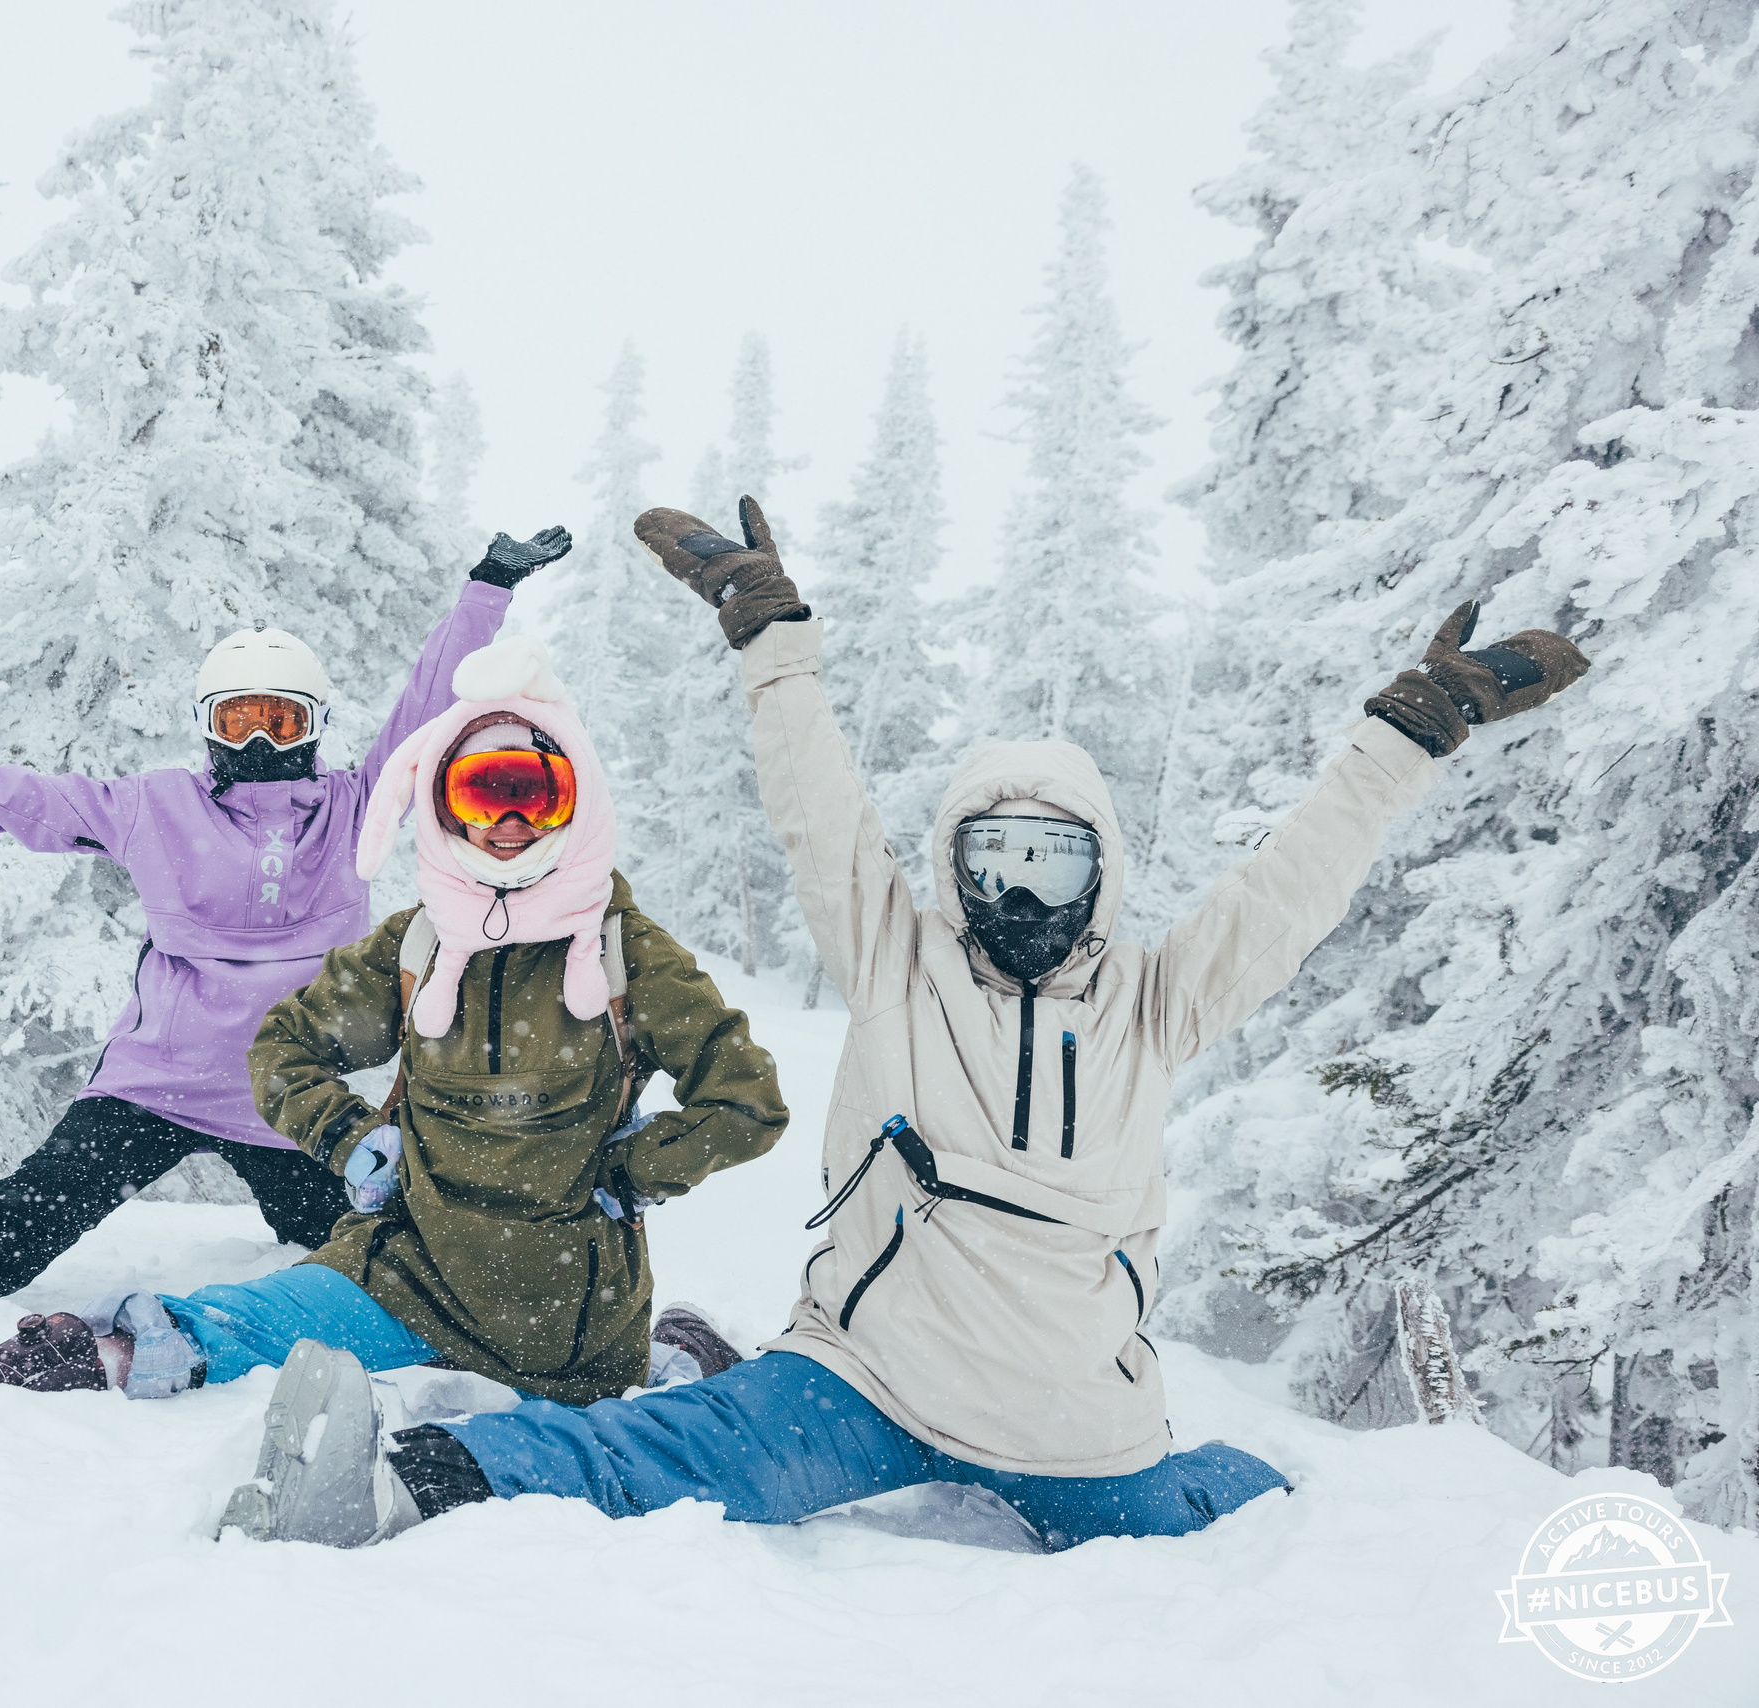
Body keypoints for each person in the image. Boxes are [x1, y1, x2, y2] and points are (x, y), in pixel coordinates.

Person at [209, 495, 1592, 1551]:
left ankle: (1328, 1496)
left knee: (1230, 1509)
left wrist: (1407, 733)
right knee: (665, 1453)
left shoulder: (1156, 1002)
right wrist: (771, 640)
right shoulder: (899, 960)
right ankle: (404, 1485)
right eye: (993, 863)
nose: (1019, 896)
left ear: (1101, 874)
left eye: (1051, 866)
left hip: (1081, 1432)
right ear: (954, 869)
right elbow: (818, 806)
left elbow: (1293, 885)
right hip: (863, 1383)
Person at [0, 637, 785, 1501]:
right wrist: (354, 1135)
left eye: (531, 797)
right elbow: (26, 803)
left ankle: (674, 1357)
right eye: (240, 719)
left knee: (591, 1397)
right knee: (173, 1292)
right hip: (312, 1193)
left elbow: (746, 1100)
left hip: (560, 1299)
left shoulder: (619, 950)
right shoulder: (410, 941)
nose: (502, 824)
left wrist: (624, 1170)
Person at [0, 529, 571, 1370]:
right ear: (208, 729)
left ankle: (484, 1342)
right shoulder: (155, 807)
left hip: (291, 1096)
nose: (260, 742)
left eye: (280, 720)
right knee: (26, 1216)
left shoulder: (357, 806)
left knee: (379, 1244)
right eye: (239, 721)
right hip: (159, 1081)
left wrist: (485, 588)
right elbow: (18, 799)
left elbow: (428, 710)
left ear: (314, 727)